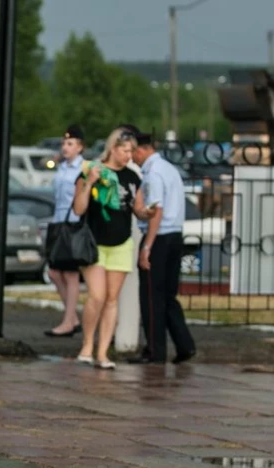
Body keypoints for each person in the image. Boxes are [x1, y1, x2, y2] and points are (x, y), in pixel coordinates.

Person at [72, 128, 149, 369]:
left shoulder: (132, 177)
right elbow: (78, 209)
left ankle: (103, 351)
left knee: (112, 299)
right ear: (113, 148)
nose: (128, 155)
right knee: (97, 296)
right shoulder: (91, 170)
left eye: (131, 151)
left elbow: (138, 208)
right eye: (124, 150)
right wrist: (90, 183)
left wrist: (149, 212)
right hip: (94, 244)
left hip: (121, 243)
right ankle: (87, 344)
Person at [130, 130, 197, 365]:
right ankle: (184, 344)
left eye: (132, 153)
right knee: (168, 297)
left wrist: (147, 246)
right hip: (174, 236)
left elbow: (156, 210)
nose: (132, 159)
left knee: (151, 297)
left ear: (141, 150)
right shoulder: (169, 168)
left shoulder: (153, 173)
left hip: (158, 237)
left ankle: (155, 351)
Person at [44, 125, 85, 338]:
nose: (65, 147)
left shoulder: (82, 168)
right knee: (53, 272)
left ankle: (68, 321)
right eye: (64, 143)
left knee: (70, 274)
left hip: (73, 223)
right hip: (58, 222)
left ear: (80, 147)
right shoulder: (62, 167)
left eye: (70, 144)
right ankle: (73, 318)